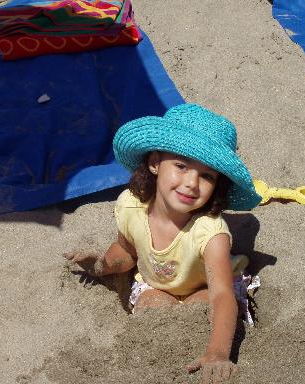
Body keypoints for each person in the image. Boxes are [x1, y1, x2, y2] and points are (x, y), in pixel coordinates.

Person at [64, 103, 261, 382]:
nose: (192, 182)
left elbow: (221, 294)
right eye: (181, 166)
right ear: (155, 163)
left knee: (203, 308)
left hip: (205, 285)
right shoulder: (131, 207)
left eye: (206, 175)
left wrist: (218, 353)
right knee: (152, 308)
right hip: (155, 282)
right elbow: (127, 250)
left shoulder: (210, 231)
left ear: (217, 185)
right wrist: (102, 265)